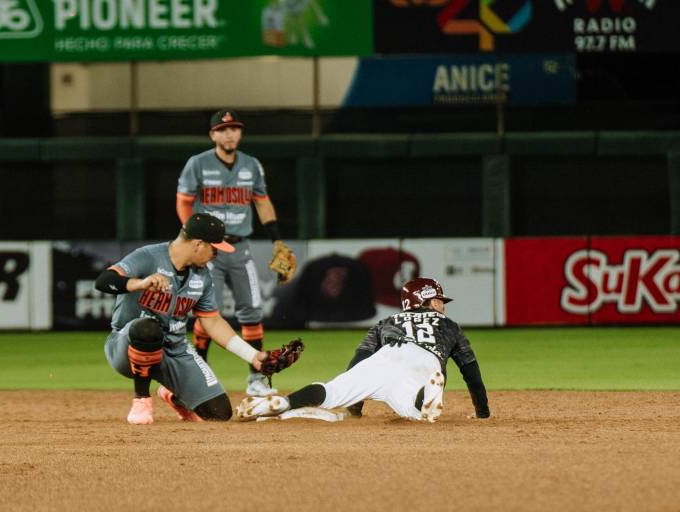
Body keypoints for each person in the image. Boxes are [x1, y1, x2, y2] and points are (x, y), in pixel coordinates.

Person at [95, 213, 277, 424]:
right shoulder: (148, 256)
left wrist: (253, 356)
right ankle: (141, 400)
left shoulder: (203, 275)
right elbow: (103, 281)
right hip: (126, 346)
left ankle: (172, 394)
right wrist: (139, 283)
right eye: (214, 247)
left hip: (175, 350)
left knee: (218, 413)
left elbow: (213, 322)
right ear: (198, 244)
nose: (216, 254)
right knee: (147, 328)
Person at [237, 277, 490, 422]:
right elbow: (471, 371)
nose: (442, 305)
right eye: (439, 300)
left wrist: (354, 404)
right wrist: (482, 412)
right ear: (429, 300)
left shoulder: (387, 322)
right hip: (425, 362)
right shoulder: (449, 324)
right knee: (414, 412)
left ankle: (284, 401)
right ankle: (427, 394)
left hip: (385, 357)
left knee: (331, 390)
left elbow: (360, 359)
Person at [176, 109, 295, 396]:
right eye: (223, 129)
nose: (229, 134)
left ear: (240, 133)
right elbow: (183, 202)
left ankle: (256, 379)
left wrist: (277, 241)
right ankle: (198, 376)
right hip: (209, 250)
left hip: (241, 247)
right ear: (213, 134)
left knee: (252, 311)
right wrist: (191, 235)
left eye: (234, 129)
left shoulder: (251, 165)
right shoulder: (198, 164)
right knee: (207, 313)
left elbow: (263, 203)